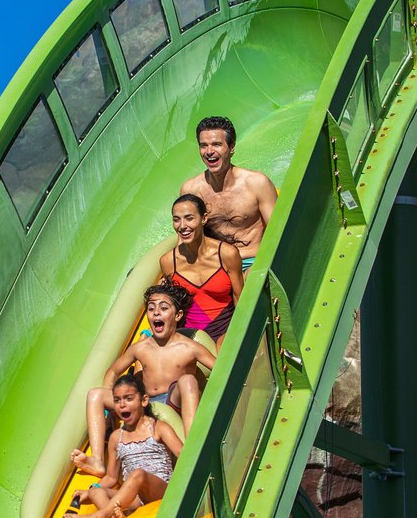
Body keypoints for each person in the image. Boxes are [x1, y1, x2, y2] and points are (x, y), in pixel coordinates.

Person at [72, 283, 215, 491]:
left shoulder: (189, 347)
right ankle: (97, 461)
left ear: (177, 315)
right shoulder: (141, 348)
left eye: (164, 308)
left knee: (187, 380)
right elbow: (112, 371)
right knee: (95, 394)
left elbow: (221, 369)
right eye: (151, 308)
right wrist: (111, 410)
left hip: (173, 401)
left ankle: (193, 445)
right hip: (144, 401)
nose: (156, 312)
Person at [64, 372, 182, 518]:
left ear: (144, 400)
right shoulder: (116, 438)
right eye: (117, 400)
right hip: (135, 498)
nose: (122, 405)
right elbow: (112, 478)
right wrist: (91, 489)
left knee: (138, 474)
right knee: (96, 492)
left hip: (159, 489)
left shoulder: (158, 428)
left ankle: (100, 517)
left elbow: (183, 454)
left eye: (128, 398)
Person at [179, 115, 278, 270]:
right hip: (215, 264)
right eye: (203, 145)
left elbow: (277, 232)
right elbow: (185, 239)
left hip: (252, 261)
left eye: (217, 144)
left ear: (231, 148)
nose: (209, 151)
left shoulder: (257, 183)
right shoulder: (191, 189)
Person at [160, 193, 244, 349]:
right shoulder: (168, 262)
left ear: (203, 218)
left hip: (225, 328)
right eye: (176, 219)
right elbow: (174, 305)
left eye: (189, 218)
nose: (182, 226)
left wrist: (240, 331)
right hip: (191, 334)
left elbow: (240, 298)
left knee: (223, 349)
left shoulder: (226, 254)